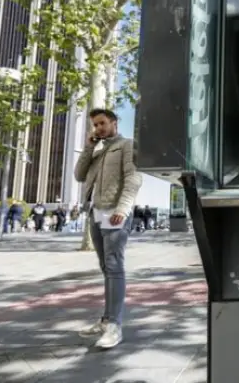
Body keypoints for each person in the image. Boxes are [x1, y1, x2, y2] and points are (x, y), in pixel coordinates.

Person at [74, 108, 142, 349]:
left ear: (114, 122)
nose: (98, 128)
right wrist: (88, 147)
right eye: (95, 124)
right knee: (106, 267)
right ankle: (106, 320)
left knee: (114, 266)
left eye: (102, 123)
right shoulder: (98, 149)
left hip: (115, 212)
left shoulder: (126, 145)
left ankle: (115, 326)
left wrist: (122, 209)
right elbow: (79, 175)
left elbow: (133, 178)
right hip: (95, 212)